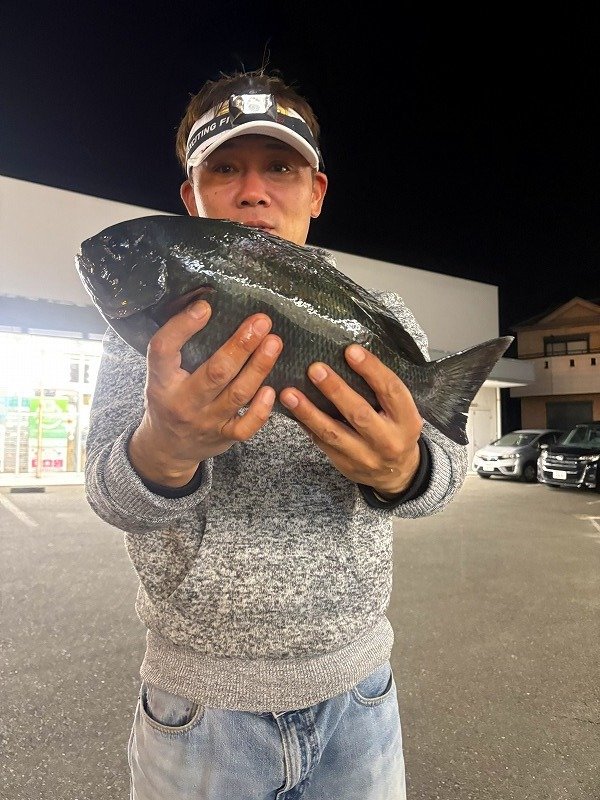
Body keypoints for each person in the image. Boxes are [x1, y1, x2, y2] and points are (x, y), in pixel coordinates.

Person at [84, 67, 468, 800]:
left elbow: (446, 473)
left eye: (280, 168)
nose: (253, 190)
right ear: (191, 197)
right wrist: (163, 451)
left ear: (316, 192)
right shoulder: (151, 330)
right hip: (197, 713)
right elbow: (108, 495)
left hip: (359, 695)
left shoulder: (381, 319)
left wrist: (406, 471)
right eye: (224, 168)